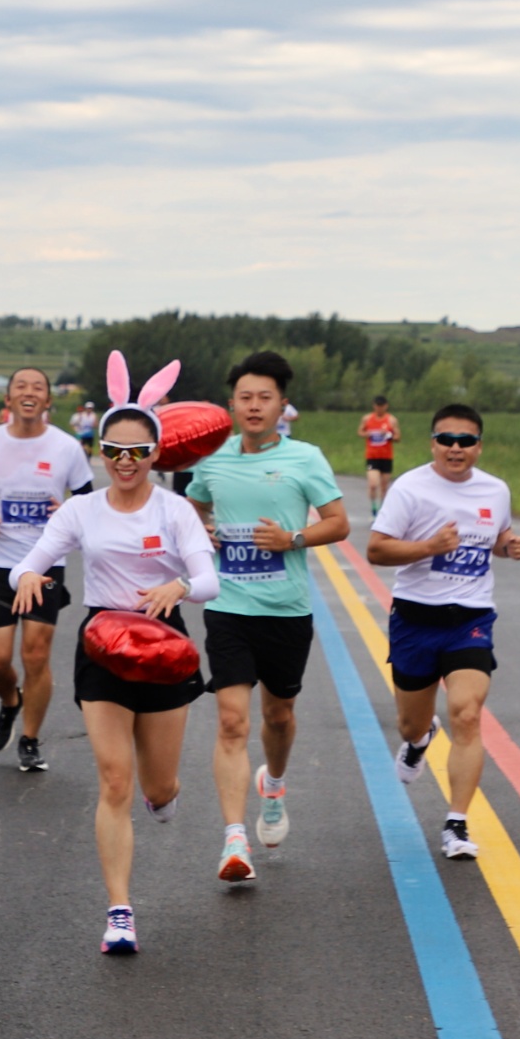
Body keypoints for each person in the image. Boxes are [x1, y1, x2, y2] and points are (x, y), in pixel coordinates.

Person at [11, 355, 218, 954]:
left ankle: (165, 796)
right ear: (100, 451)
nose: (125, 462)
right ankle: (120, 911)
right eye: (114, 450)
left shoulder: (174, 511)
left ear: (156, 453)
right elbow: (38, 554)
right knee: (113, 780)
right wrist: (28, 576)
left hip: (165, 645)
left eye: (138, 451)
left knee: (158, 786)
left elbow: (209, 580)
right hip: (103, 642)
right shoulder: (82, 509)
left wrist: (177, 585)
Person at [186, 351, 349, 883]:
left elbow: (339, 522)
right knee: (232, 720)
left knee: (278, 715)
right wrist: (200, 531)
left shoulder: (306, 458)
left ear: (283, 404)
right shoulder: (211, 460)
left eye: (265, 397)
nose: (254, 406)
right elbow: (191, 506)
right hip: (228, 607)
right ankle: (235, 840)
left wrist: (292, 538)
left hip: (286, 609)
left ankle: (273, 784)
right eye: (245, 398)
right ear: (231, 404)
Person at [367, 403, 520, 860]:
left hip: (471, 620)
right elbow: (376, 550)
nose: (455, 449)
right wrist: (428, 547)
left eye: (466, 441)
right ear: (432, 442)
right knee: (410, 721)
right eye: (446, 440)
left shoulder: (496, 490)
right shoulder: (411, 489)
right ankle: (419, 741)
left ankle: (456, 823)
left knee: (467, 714)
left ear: (479, 445)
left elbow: (495, 537)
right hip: (416, 620)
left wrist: (507, 545)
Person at [0, 367, 96, 771]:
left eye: (38, 387)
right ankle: (9, 701)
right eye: (21, 387)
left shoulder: (67, 448)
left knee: (36, 655)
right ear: (9, 400)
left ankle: (31, 739)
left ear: (48, 401)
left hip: (46, 562)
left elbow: (87, 500)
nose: (29, 392)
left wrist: (68, 510)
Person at [358, 395, 401, 515]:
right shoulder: (367, 419)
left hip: (386, 457)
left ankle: (382, 511)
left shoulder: (391, 420)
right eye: (377, 406)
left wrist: (388, 435)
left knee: (384, 486)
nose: (379, 408)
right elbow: (360, 431)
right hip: (372, 456)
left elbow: (398, 437)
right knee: (373, 484)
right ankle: (374, 509)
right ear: (374, 406)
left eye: (381, 406)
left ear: (386, 406)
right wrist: (369, 433)